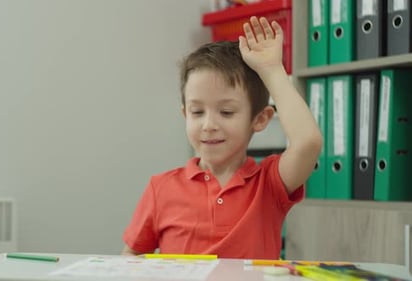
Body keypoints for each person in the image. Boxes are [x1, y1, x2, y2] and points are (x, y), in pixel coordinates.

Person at [121, 16, 322, 259]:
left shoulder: (269, 183)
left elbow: (307, 142)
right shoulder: (160, 188)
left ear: (259, 119)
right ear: (185, 114)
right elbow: (130, 259)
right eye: (197, 112)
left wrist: (272, 70)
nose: (209, 125)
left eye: (226, 112)